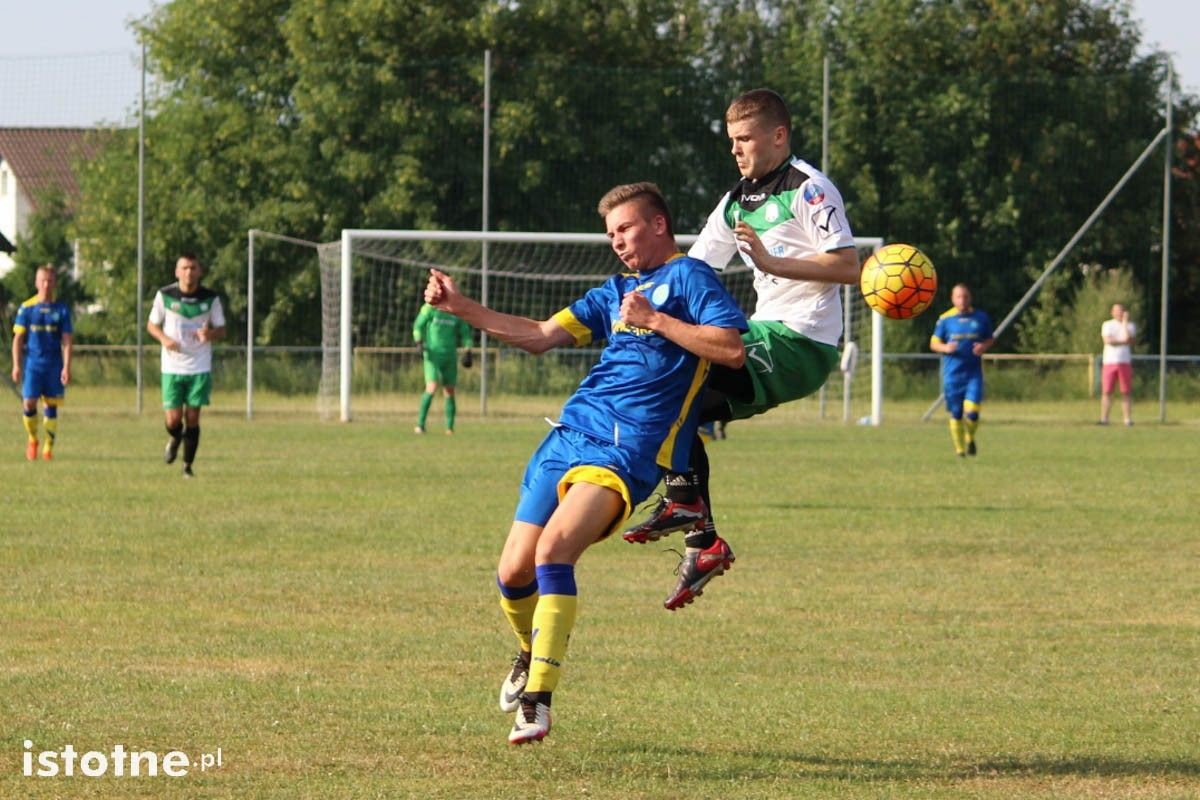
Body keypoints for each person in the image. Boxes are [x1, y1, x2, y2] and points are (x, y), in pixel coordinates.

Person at [424, 182, 747, 744]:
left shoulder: (691, 278)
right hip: (569, 434)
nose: (617, 241)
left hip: (627, 449)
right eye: (611, 234)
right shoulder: (614, 291)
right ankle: (530, 651)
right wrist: (461, 307)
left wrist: (658, 320)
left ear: (659, 225)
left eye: (625, 229)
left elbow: (731, 350)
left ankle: (537, 702)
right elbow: (539, 335)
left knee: (553, 552)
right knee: (513, 572)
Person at [622, 88, 861, 610]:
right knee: (661, 395)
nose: (735, 149)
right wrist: (641, 295)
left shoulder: (809, 189)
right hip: (767, 334)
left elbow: (848, 266)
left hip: (801, 342)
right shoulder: (737, 200)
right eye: (731, 140)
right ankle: (702, 541)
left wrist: (774, 264)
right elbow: (693, 267)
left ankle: (686, 505)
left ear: (778, 136)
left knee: (671, 384)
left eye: (745, 138)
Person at [147, 253, 226, 477]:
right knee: (173, 419)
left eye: (193, 268)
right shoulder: (165, 295)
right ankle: (175, 438)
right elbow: (152, 325)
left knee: (192, 417)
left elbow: (222, 329)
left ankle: (187, 467)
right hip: (172, 366)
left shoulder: (210, 298)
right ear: (177, 272)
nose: (188, 272)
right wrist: (164, 339)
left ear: (199, 272)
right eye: (184, 268)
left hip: (199, 365)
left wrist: (209, 334)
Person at [11, 265, 73, 461]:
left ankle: (48, 447)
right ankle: (33, 439)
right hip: (33, 365)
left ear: (54, 283)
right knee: (29, 402)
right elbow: (18, 339)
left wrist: (66, 367)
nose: (46, 284)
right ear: (36, 283)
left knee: (51, 406)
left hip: (54, 364)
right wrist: (16, 365)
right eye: (43, 280)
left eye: (50, 281)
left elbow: (67, 340)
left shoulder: (61, 309)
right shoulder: (27, 308)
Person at [929, 283, 994, 456]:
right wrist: (945, 348)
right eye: (958, 297)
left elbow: (990, 338)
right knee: (956, 413)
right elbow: (933, 343)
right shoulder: (945, 319)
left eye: (965, 296)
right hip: (952, 375)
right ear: (952, 299)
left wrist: (983, 346)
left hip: (973, 374)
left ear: (970, 298)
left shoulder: (980, 317)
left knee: (972, 412)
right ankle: (960, 450)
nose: (962, 300)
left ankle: (969, 438)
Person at [412, 302, 474, 435]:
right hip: (432, 355)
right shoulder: (430, 308)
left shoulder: (456, 310)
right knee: (432, 386)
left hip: (450, 356)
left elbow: (465, 333)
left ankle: (449, 428)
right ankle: (420, 425)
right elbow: (418, 325)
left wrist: (468, 349)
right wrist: (418, 341)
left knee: (449, 390)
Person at [1098, 303, 1135, 426]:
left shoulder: (1130, 325)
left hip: (1124, 362)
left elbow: (1129, 339)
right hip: (1109, 362)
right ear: (1112, 312)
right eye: (1116, 310)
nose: (1119, 313)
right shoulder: (1107, 324)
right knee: (1107, 391)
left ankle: (1127, 419)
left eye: (1121, 310)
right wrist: (1122, 341)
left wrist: (1125, 323)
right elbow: (1108, 341)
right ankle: (1104, 419)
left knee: (1126, 391)